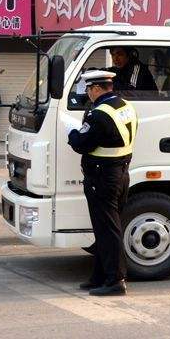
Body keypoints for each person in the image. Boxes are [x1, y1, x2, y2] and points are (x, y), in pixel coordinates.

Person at [67, 70, 138, 297]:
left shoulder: (99, 114)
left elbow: (82, 143)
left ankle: (115, 280)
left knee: (108, 230)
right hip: (120, 173)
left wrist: (72, 134)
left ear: (96, 88)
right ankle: (99, 276)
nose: (87, 93)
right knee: (105, 228)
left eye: (88, 89)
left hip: (102, 176)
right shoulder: (125, 106)